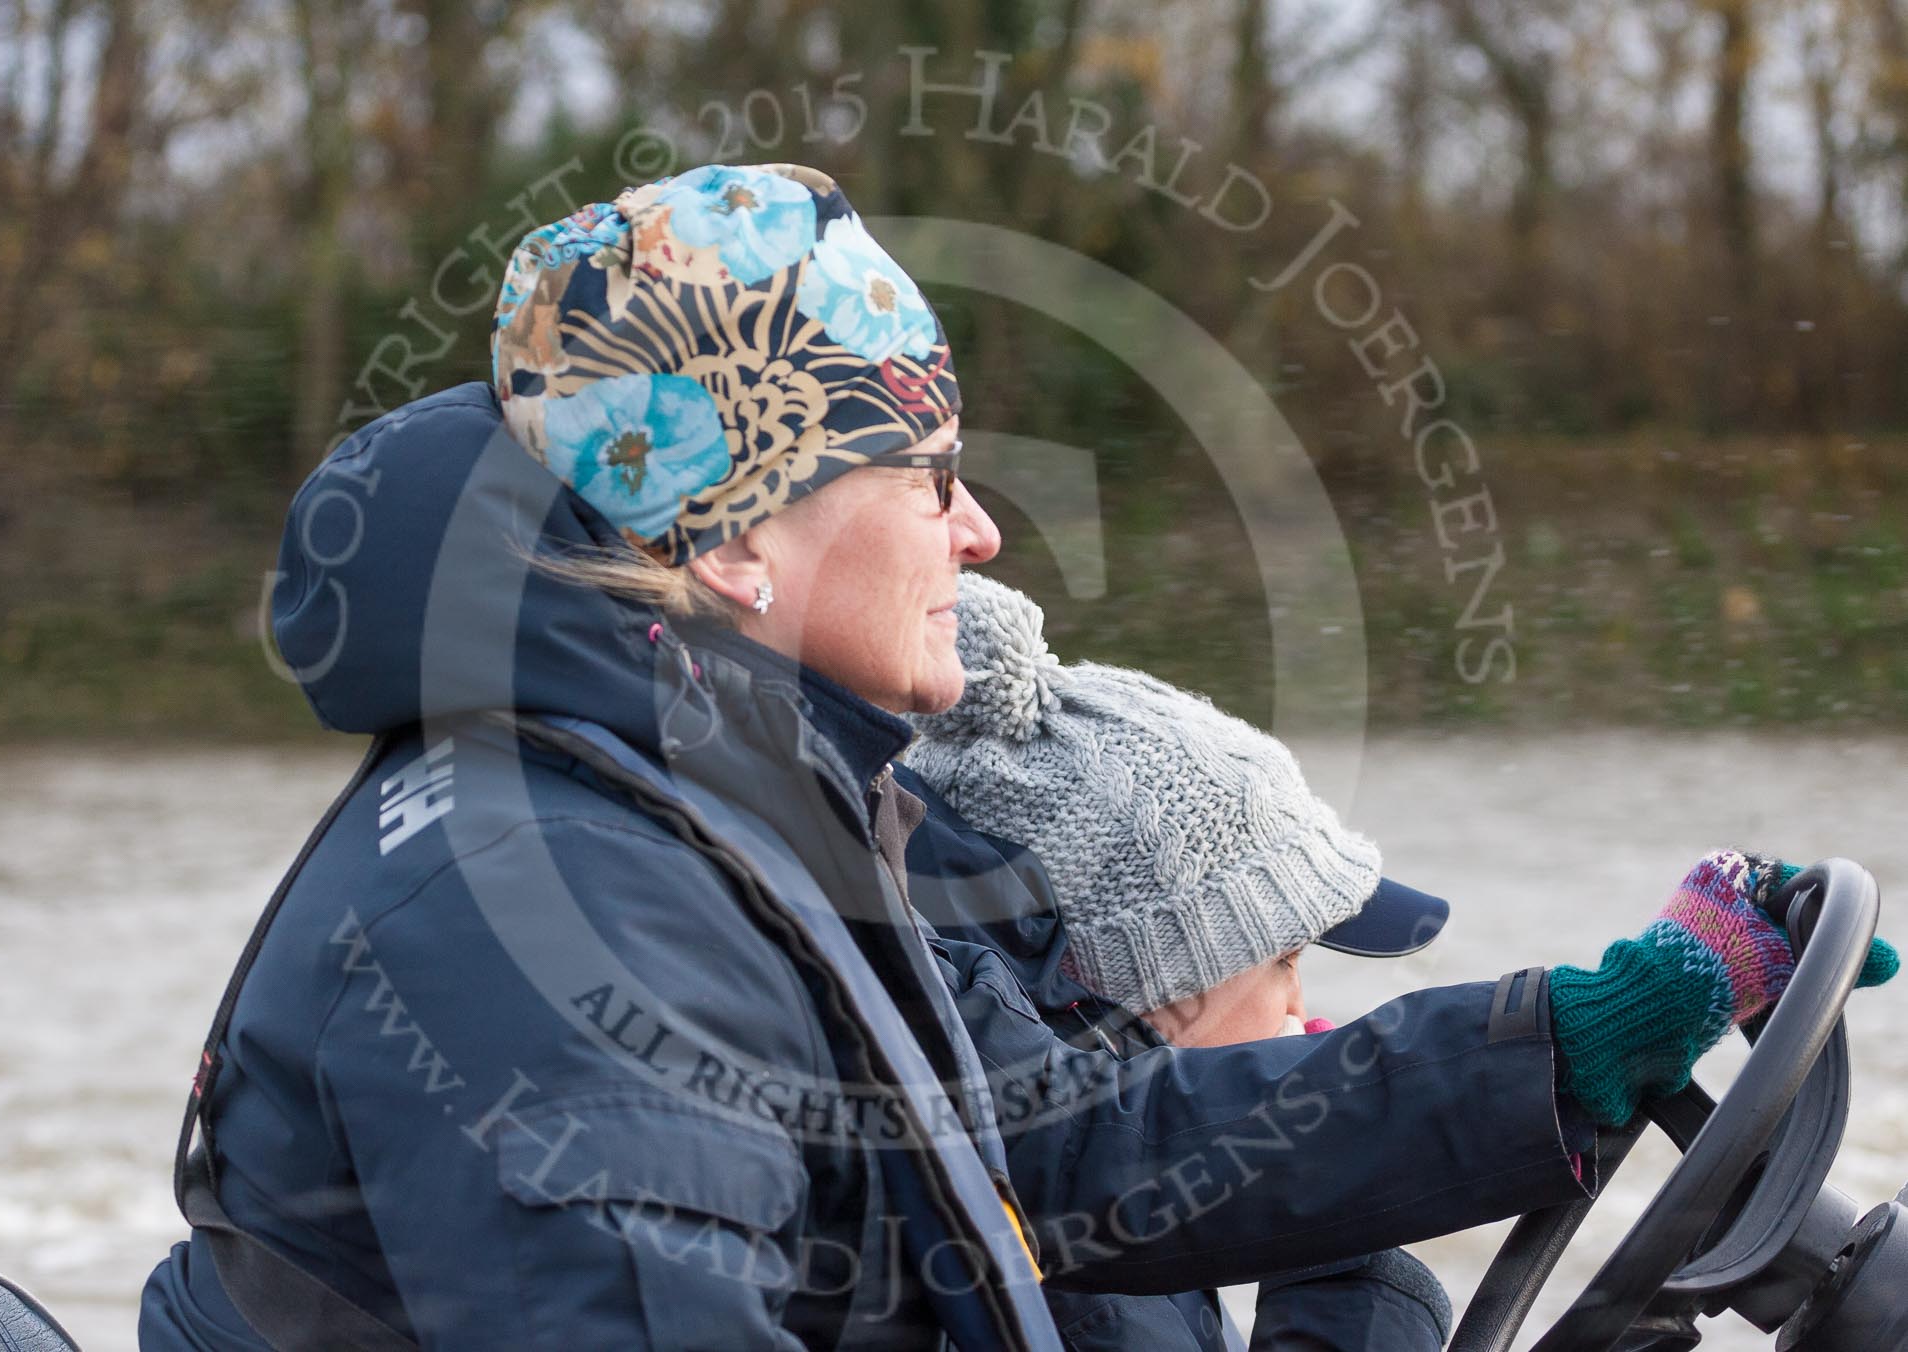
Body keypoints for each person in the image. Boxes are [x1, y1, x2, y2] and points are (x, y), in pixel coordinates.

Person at [138, 161, 1894, 1350]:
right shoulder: (554, 911)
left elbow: (1080, 1152)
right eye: (927, 473)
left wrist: (1578, 1042)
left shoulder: (751, 812)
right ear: (738, 542)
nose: (976, 533)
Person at [901, 571, 1461, 1350]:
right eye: (1285, 961)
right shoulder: (1087, 1298)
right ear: (1149, 993)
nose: (1303, 999)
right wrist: (1342, 1248)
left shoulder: (1098, 1222)